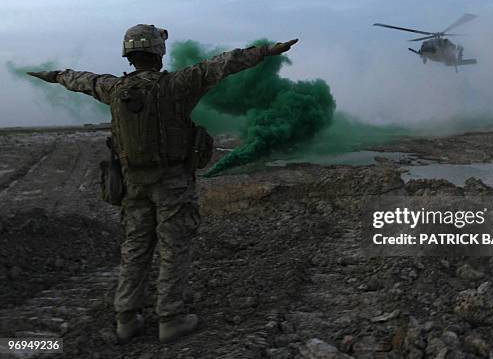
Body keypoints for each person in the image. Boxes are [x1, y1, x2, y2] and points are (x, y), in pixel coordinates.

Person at [28, 24, 298, 344]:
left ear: (129, 55)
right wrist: (266, 50)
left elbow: (78, 79)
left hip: (133, 184)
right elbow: (225, 63)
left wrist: (52, 74)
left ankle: (126, 317)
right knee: (174, 247)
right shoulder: (179, 84)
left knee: (135, 248)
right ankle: (170, 318)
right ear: (159, 52)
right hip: (173, 183)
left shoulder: (114, 88)